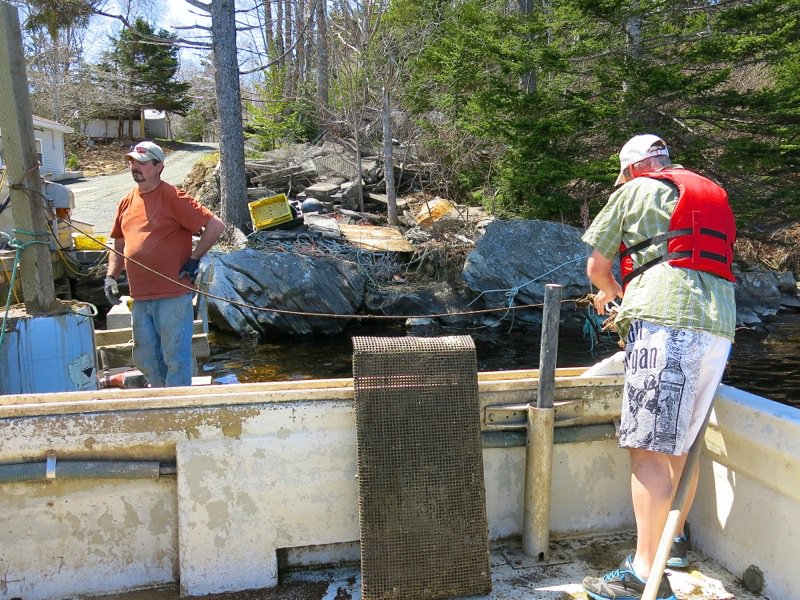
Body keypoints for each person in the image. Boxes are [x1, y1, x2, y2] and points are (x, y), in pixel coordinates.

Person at [580, 134, 736, 600]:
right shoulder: (710, 190)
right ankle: (675, 543)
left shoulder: (633, 190)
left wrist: (616, 296)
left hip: (667, 322)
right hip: (720, 325)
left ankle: (643, 572)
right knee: (679, 448)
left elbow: (597, 267)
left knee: (647, 449)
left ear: (631, 169)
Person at [104, 141, 225, 387]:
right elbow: (118, 243)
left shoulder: (173, 197)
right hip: (140, 297)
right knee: (146, 358)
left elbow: (215, 226)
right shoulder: (126, 201)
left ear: (159, 166)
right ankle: (160, 400)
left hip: (173, 295)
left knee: (176, 359)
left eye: (142, 163)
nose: (135, 167)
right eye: (132, 163)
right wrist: (111, 276)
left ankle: (177, 411)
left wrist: (194, 259)